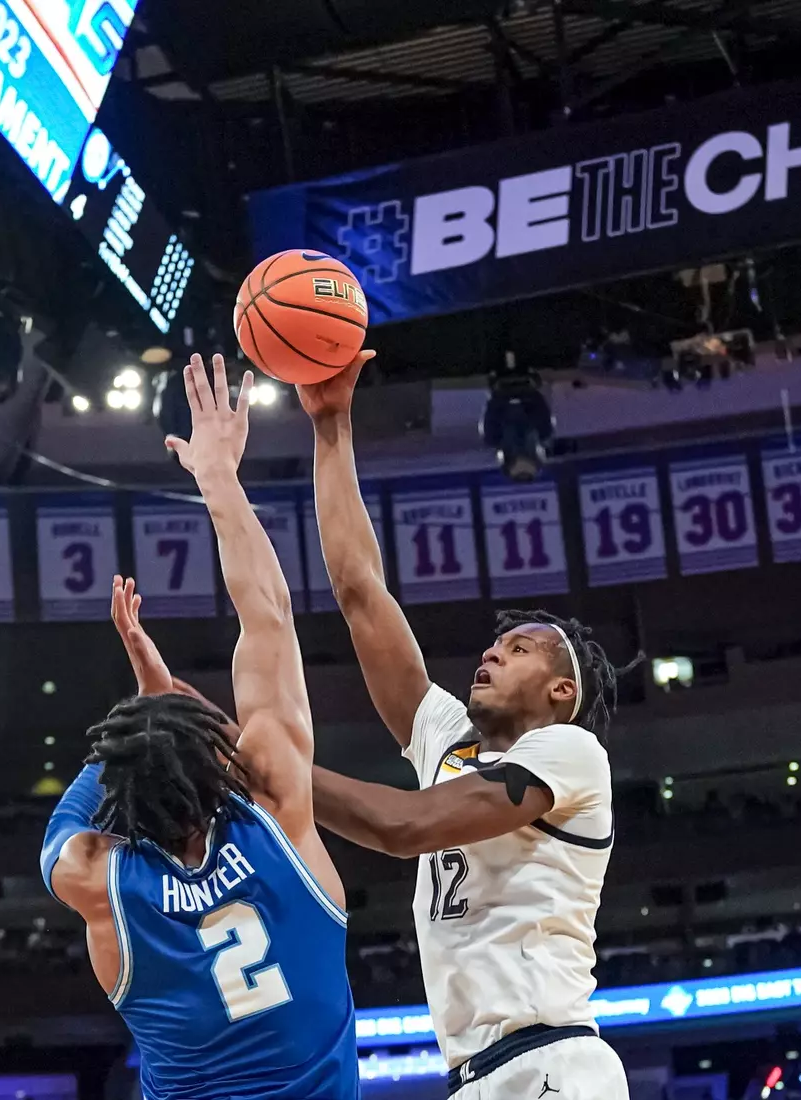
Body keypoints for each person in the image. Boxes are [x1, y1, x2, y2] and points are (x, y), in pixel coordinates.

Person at [296, 350, 638, 1099]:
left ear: (559, 691)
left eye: (517, 650)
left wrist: (269, 767)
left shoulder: (571, 752)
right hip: (475, 1076)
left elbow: (407, 828)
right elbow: (360, 593)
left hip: (553, 1063)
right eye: (494, 643)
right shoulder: (448, 740)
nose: (491, 651)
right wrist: (331, 428)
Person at [40, 354, 359, 1100]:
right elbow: (268, 614)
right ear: (222, 760)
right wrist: (218, 478)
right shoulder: (278, 809)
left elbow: (72, 820)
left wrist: (150, 714)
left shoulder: (95, 878)